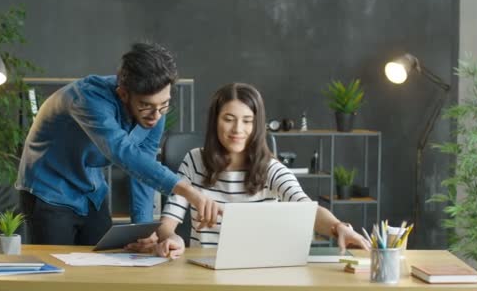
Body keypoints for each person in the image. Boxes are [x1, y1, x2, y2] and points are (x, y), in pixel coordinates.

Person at [15, 42, 219, 245]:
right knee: (57, 272)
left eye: (164, 105)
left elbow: (143, 167)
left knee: (105, 264)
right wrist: (189, 191)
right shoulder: (88, 98)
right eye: (146, 106)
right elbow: (123, 152)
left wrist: (144, 230)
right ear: (123, 94)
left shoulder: (155, 109)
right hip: (48, 190)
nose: (156, 116)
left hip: (91, 190)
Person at [152, 83, 371, 258]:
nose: (238, 129)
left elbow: (306, 207)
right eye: (229, 119)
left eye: (247, 121)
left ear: (257, 126)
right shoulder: (194, 160)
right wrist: (173, 239)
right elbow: (168, 220)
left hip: (259, 267)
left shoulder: (270, 168)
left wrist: (338, 227)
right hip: (205, 267)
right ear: (215, 121)